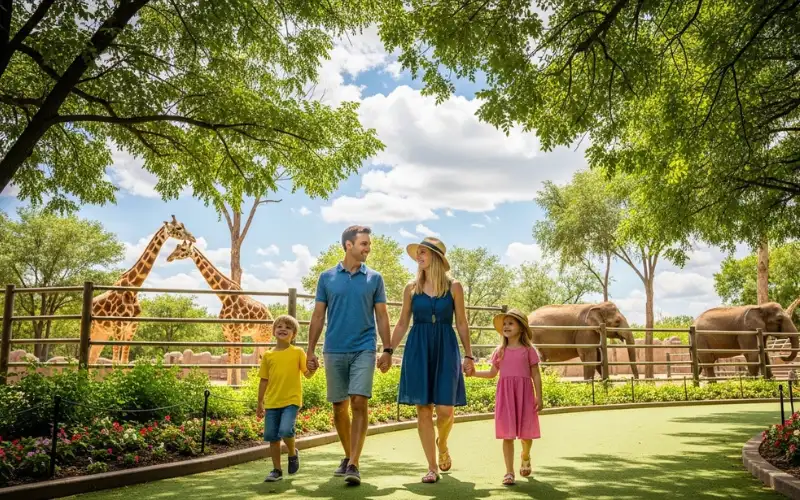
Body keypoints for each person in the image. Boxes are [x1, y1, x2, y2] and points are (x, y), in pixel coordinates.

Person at [306, 225, 392, 486]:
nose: (368, 249)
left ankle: (354, 462)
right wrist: (309, 350)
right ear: (348, 246)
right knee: (339, 406)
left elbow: (382, 315)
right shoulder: (327, 278)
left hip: (364, 348)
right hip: (334, 349)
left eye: (369, 244)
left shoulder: (375, 278)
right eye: (364, 244)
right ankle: (347, 455)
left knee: (358, 402)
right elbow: (319, 315)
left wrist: (387, 349)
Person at [388, 236, 476, 483]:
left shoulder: (454, 287)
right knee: (423, 408)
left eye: (424, 252)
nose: (419, 256)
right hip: (418, 347)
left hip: (446, 346)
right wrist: (388, 350)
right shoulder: (411, 288)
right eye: (419, 253)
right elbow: (404, 321)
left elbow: (461, 322)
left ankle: (443, 443)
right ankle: (431, 467)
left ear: (436, 257)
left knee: (446, 410)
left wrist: (468, 355)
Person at [469, 308, 543, 486]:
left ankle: (525, 455)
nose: (507, 326)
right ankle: (509, 472)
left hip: (524, 395)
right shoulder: (499, 351)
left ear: (521, 327)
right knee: (507, 435)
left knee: (526, 435)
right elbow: (492, 373)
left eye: (511, 323)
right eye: (505, 324)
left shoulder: (528, 350)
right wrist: (473, 373)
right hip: (506, 396)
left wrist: (539, 396)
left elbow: (536, 374)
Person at [256, 314, 314, 482]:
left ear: (293, 334)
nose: (283, 329)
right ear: (274, 331)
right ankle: (276, 470)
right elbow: (264, 380)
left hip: (291, 400)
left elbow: (307, 374)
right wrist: (260, 402)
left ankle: (292, 452)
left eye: (288, 328)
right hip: (272, 401)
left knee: (286, 430)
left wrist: (314, 369)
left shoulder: (297, 352)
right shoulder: (268, 356)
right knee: (272, 437)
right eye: (280, 326)